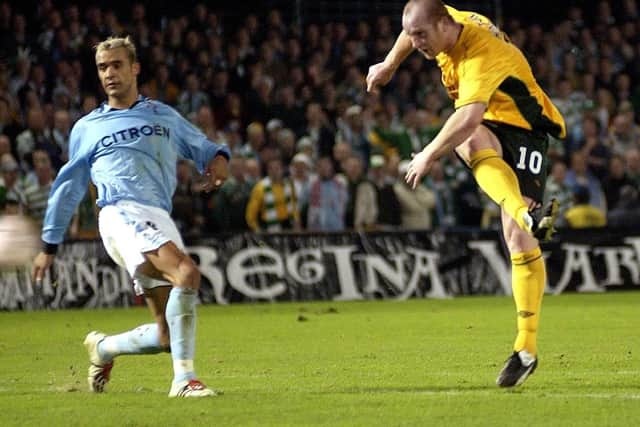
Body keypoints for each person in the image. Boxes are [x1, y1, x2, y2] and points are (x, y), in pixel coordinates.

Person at [366, 0, 565, 387]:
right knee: (471, 144)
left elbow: (467, 116)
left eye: (422, 35)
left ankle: (526, 347)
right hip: (491, 119)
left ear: (444, 25)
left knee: (515, 233)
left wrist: (426, 155)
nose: (416, 42)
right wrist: (390, 64)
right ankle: (527, 216)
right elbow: (411, 32)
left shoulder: (478, 52)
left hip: (525, 127)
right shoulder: (444, 22)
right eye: (413, 34)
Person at [31, 36, 230, 398]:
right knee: (187, 272)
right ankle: (184, 381)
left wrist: (219, 160)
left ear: (135, 68)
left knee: (167, 335)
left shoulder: (162, 115)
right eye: (103, 67)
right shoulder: (87, 127)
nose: (109, 74)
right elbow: (68, 187)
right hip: (119, 213)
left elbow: (204, 147)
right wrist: (50, 243)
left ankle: (103, 348)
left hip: (156, 217)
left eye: (117, 65)